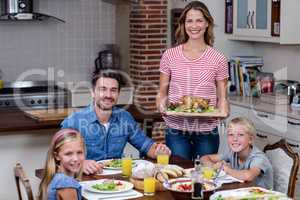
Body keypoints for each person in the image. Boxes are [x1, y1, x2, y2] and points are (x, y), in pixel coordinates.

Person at [156, 1, 229, 160]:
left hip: (207, 131)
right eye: (189, 21)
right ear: (183, 24)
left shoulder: (218, 58)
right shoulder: (170, 55)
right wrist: (162, 106)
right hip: (176, 130)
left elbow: (222, 97)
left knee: (204, 177)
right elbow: (162, 92)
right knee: (179, 175)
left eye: (199, 20)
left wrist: (223, 111)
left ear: (207, 23)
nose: (194, 26)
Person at [61, 69, 171, 175]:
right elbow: (59, 156)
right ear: (93, 93)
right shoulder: (74, 121)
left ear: (118, 94)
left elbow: (145, 145)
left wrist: (159, 151)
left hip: (118, 181)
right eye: (103, 89)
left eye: (113, 90)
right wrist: (81, 164)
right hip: (85, 180)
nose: (108, 95)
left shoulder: (125, 118)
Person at [200, 117, 273, 189]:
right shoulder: (232, 153)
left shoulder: (258, 158)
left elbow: (248, 176)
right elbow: (204, 158)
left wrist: (225, 168)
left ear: (250, 139)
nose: (235, 139)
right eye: (231, 134)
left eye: (240, 135)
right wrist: (214, 166)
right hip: (241, 192)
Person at [38, 128, 85, 200]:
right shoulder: (66, 184)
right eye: (68, 154)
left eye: (79, 152)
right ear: (57, 156)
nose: (76, 159)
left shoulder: (57, 176)